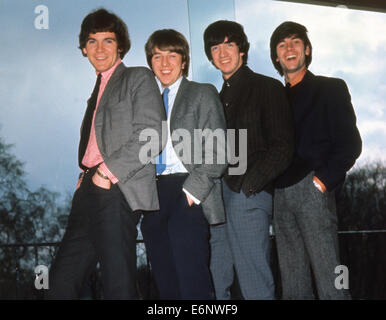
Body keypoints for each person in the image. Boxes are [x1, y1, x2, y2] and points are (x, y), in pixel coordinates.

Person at [46, 8, 164, 299]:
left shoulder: (137, 77)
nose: (99, 49)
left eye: (108, 41)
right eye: (92, 41)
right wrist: (86, 175)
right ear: (84, 48)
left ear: (120, 45)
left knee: (118, 284)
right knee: (60, 284)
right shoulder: (97, 89)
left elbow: (152, 135)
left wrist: (104, 173)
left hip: (115, 187)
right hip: (87, 190)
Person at [270, 21, 362, 299]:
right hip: (280, 197)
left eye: (295, 42)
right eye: (282, 44)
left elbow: (350, 143)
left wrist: (322, 183)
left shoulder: (330, 88)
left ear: (306, 50)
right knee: (293, 285)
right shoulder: (273, 99)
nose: (289, 48)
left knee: (333, 279)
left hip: (314, 191)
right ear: (276, 56)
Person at [203, 20, 294, 300]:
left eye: (229, 44)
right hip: (218, 200)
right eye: (215, 47)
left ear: (242, 49)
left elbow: (283, 146)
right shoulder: (216, 99)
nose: (222, 53)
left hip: (248, 196)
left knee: (254, 281)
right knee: (217, 280)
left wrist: (250, 186)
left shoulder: (267, 87)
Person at [140, 29, 227, 299]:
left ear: (184, 60)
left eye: (172, 55)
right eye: (157, 57)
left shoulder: (202, 93)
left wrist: (191, 195)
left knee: (194, 283)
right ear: (150, 62)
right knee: (166, 286)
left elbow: (219, 151)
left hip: (187, 191)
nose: (165, 63)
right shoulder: (145, 102)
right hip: (153, 197)